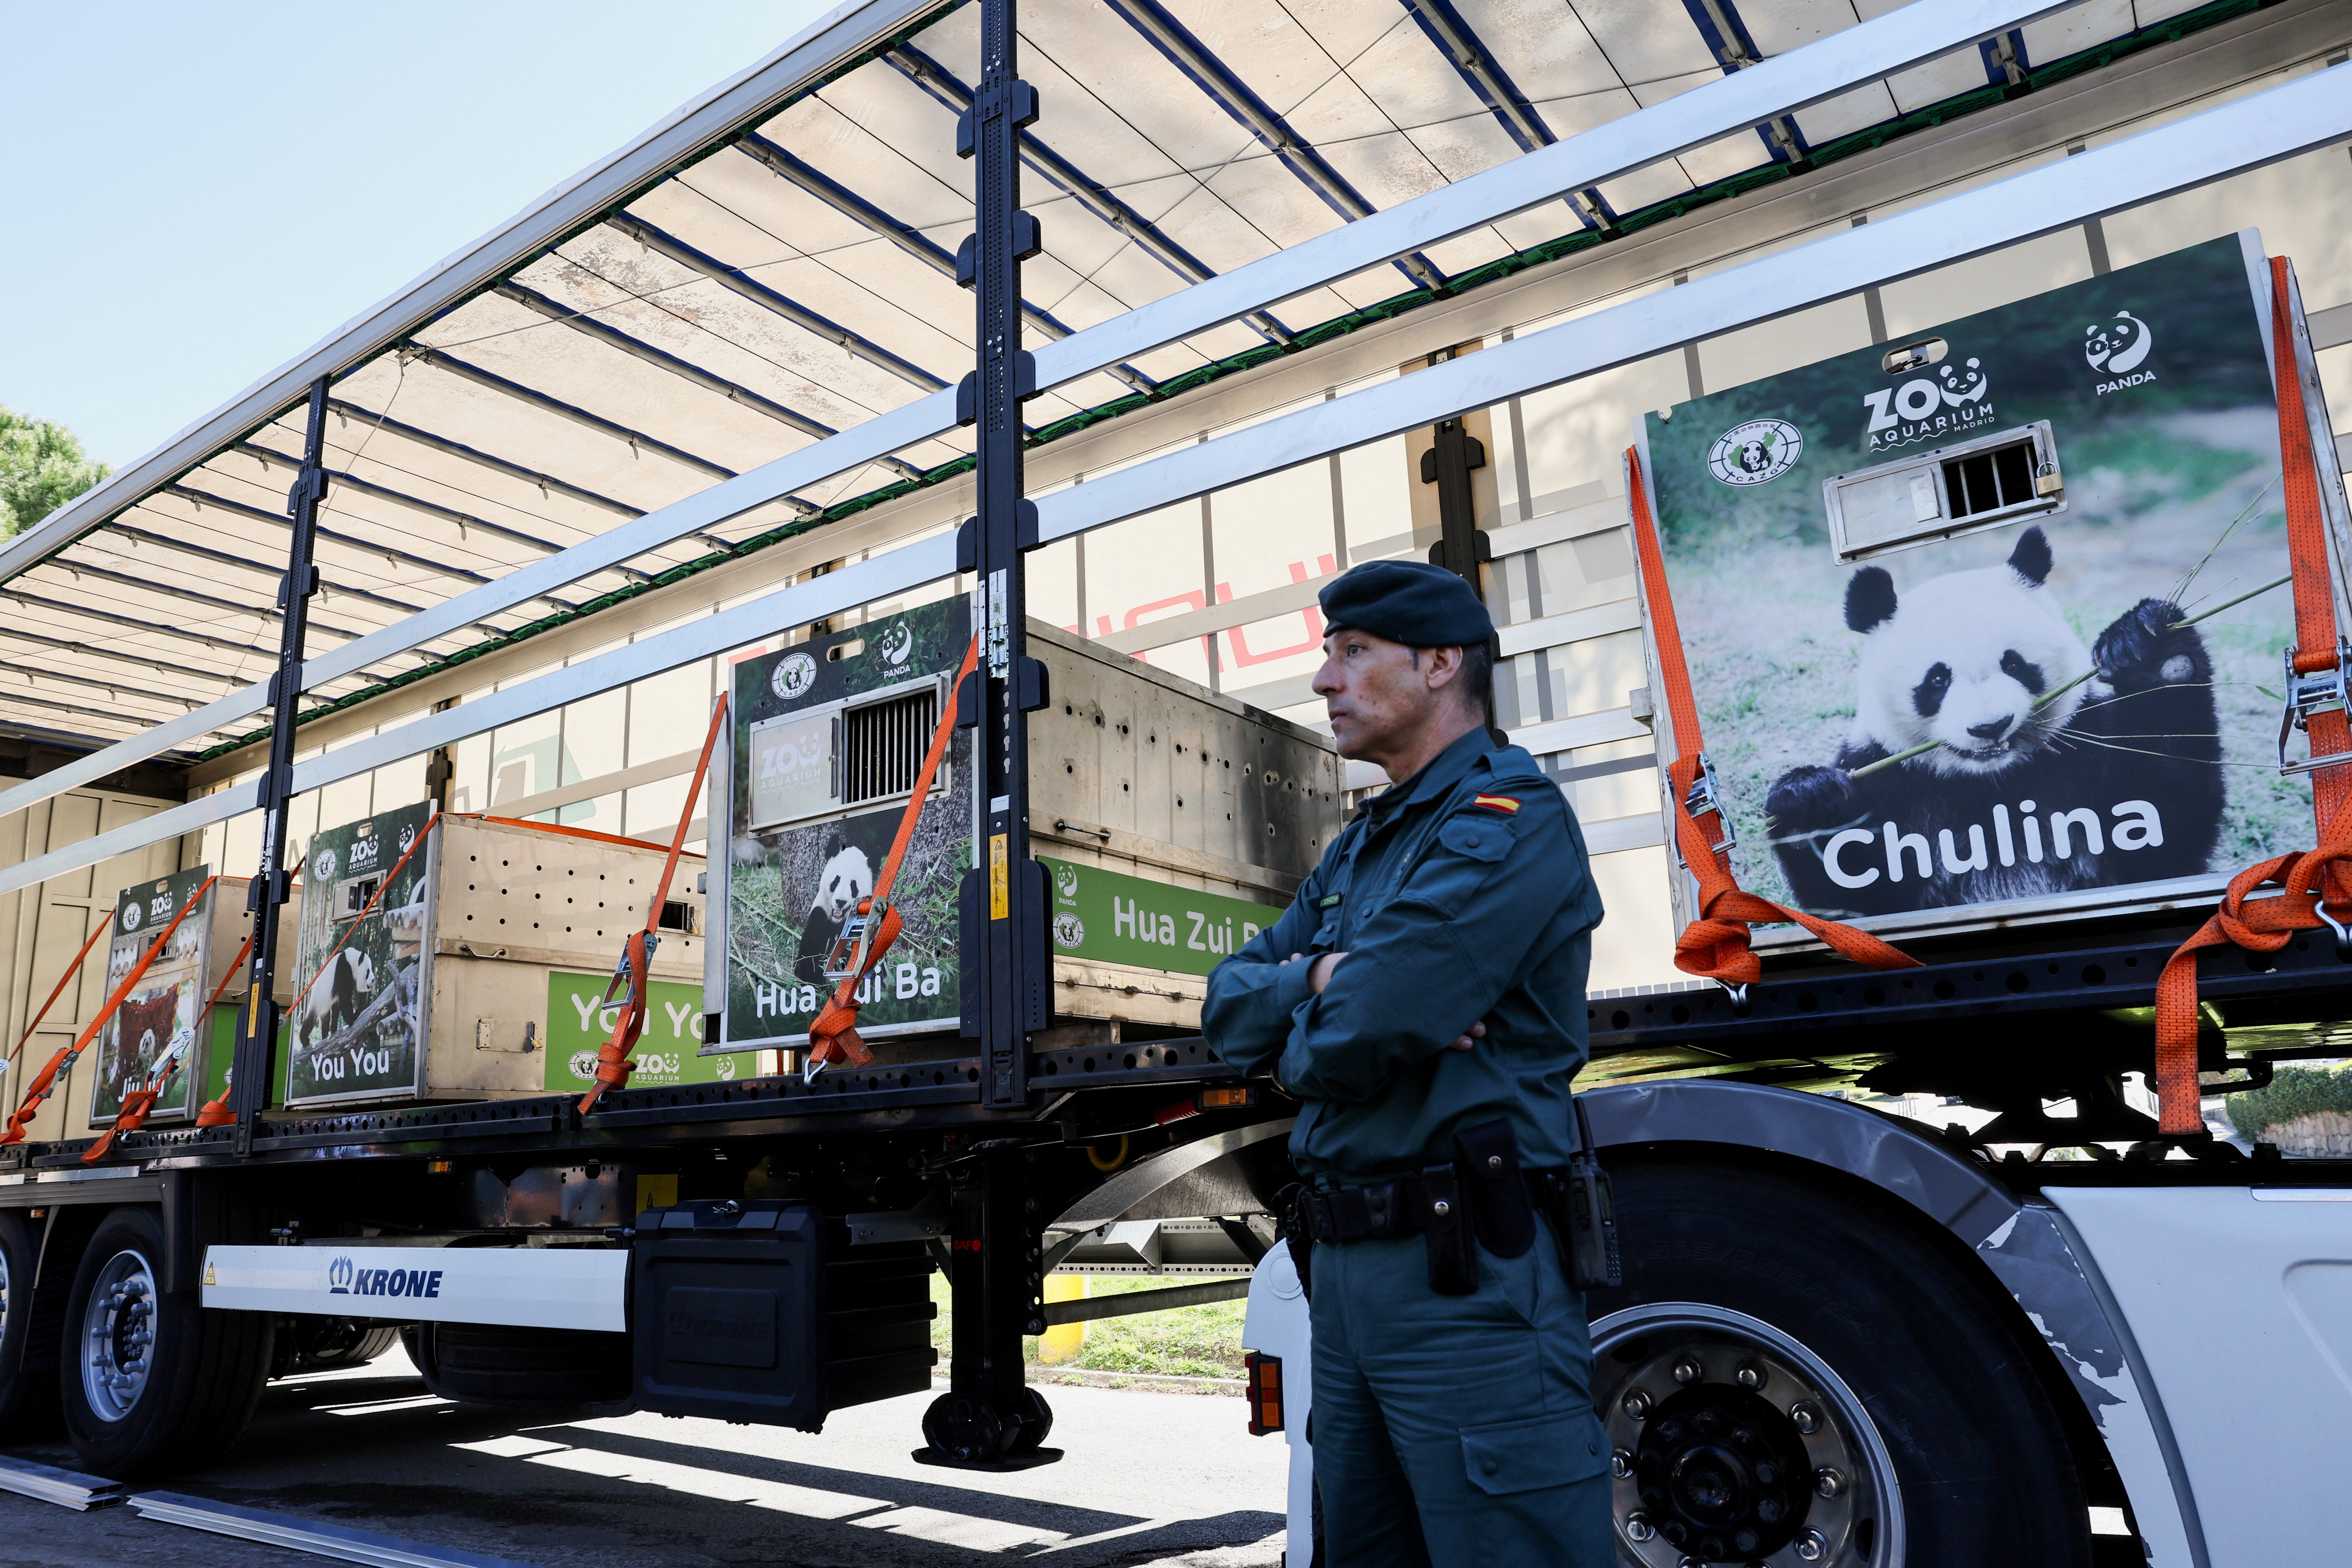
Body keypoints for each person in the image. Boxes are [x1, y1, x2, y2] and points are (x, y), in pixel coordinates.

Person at [1203, 559, 1611, 1567]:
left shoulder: (1510, 822)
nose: (1321, 680)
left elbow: (1359, 1035)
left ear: (1437, 664)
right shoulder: (1363, 846)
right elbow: (1223, 1008)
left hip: (1460, 1281)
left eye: (1350, 652)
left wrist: (1325, 1002)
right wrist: (1324, 978)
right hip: (1343, 1282)